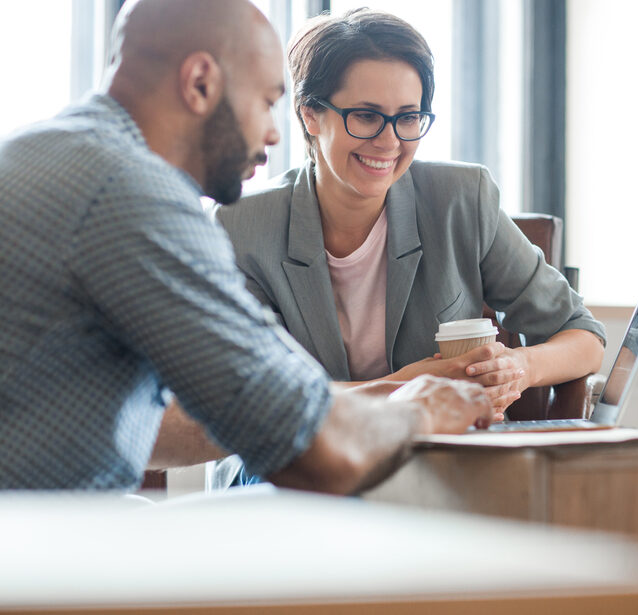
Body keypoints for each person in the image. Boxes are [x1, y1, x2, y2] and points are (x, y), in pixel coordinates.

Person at [0, 0, 492, 493]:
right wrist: (420, 410)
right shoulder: (132, 193)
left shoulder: (42, 151)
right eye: (265, 101)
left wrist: (367, 398)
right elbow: (315, 455)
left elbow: (158, 430)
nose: (274, 133)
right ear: (200, 83)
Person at [215, 9, 606, 425]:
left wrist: (519, 367)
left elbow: (583, 335)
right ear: (310, 113)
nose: (389, 142)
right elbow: (253, 395)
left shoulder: (461, 200)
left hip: (446, 453)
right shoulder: (242, 228)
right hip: (302, 453)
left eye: (408, 117)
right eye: (366, 116)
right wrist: (405, 388)